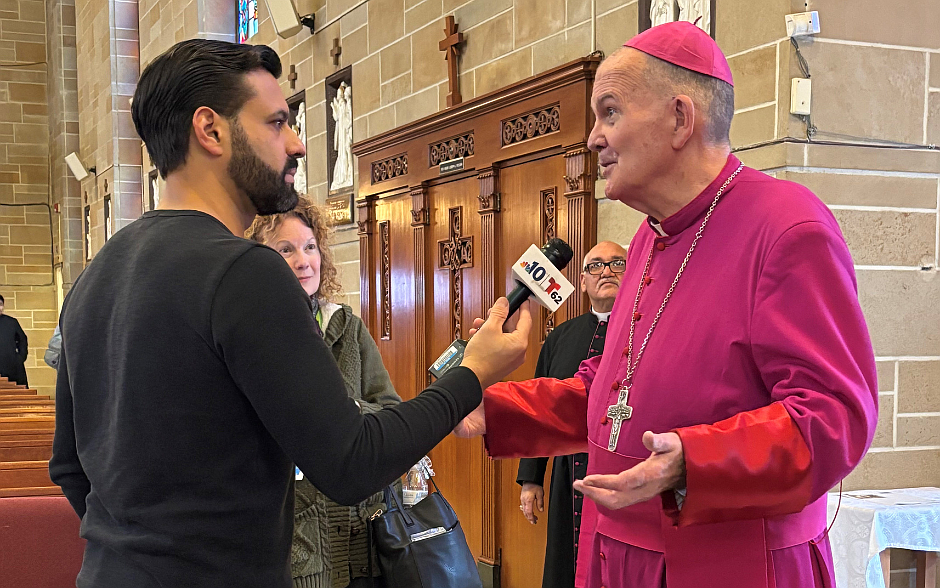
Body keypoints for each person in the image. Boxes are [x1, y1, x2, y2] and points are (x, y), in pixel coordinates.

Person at [49, 39, 531, 588]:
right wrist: (473, 375)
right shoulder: (243, 271)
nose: (298, 144)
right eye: (278, 123)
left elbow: (68, 466)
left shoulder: (96, 273)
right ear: (211, 130)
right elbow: (351, 462)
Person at [456, 21, 878, 588]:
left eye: (609, 113)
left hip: (728, 567)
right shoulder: (646, 241)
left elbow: (833, 419)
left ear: (681, 119)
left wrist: (691, 461)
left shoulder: (787, 227)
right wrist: (498, 408)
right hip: (614, 556)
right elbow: (613, 393)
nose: (592, 138)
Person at [246, 197, 401, 588]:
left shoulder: (346, 327)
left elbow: (389, 411)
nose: (303, 261)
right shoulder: (246, 334)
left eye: (310, 246)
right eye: (286, 249)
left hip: (358, 540)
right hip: (291, 548)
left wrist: (340, 411)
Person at [517, 241, 626, 588]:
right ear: (582, 281)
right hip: (569, 473)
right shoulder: (561, 336)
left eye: (616, 263)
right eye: (596, 265)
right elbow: (538, 410)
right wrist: (531, 478)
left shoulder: (648, 329)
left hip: (626, 471)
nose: (606, 271)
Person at [0, 294, 29, 387]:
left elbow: (22, 340)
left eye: (0, 304)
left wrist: (20, 358)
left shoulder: (12, 322)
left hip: (12, 366)